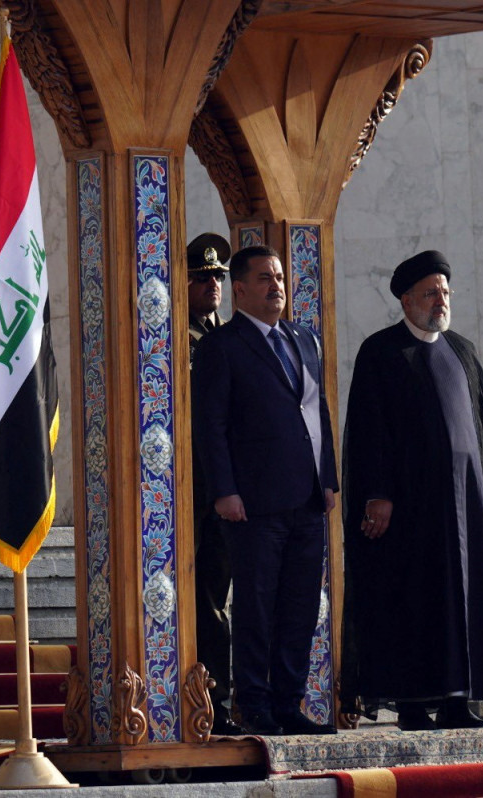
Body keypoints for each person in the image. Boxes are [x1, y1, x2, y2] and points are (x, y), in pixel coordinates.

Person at [341, 249, 483, 731]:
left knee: (464, 599)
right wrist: (377, 493)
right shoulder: (381, 352)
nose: (440, 300)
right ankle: (414, 704)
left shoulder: (461, 350)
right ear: (406, 299)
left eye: (445, 291)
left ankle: (458, 699)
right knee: (413, 599)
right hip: (409, 509)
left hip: (465, 505)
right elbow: (368, 430)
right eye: (429, 293)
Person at [191, 244, 339, 736]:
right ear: (239, 289)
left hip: (307, 498)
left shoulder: (304, 339)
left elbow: (318, 414)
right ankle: (252, 704)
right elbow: (210, 426)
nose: (277, 286)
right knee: (256, 605)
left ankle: (288, 701)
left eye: (279, 277)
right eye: (264, 279)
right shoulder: (224, 345)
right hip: (252, 504)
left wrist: (330, 478)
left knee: (300, 606)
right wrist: (224, 491)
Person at [184, 233, 241, 735]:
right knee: (207, 601)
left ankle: (241, 693)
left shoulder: (232, 337)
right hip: (196, 492)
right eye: (203, 278)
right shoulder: (179, 341)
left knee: (233, 598)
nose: (213, 285)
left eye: (219, 277)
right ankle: (212, 698)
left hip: (240, 489)